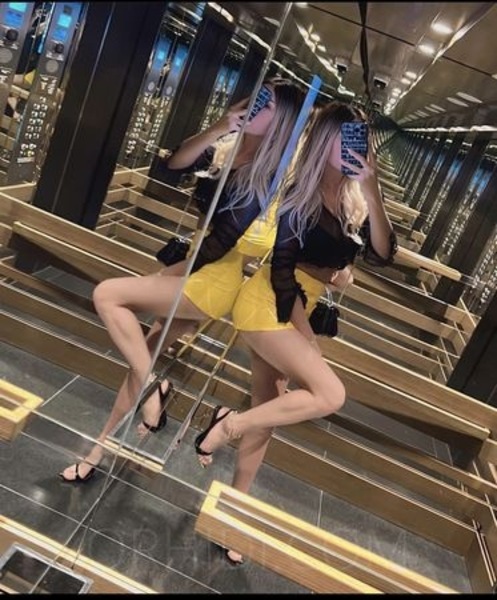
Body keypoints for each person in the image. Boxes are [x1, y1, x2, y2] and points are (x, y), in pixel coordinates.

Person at [59, 78, 306, 483]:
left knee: (109, 296)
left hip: (212, 280)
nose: (257, 108)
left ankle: (151, 391)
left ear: (283, 122)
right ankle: (99, 450)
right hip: (195, 267)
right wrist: (220, 126)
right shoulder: (227, 146)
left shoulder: (274, 177)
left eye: (268, 106)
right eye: (258, 98)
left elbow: (255, 240)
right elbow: (171, 165)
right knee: (143, 356)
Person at [192, 101, 398, 564]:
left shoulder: (353, 199)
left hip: (296, 309)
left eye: (358, 139)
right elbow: (282, 275)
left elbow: (384, 253)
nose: (352, 147)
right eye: (343, 137)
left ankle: (232, 514)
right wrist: (307, 340)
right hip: (270, 305)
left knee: (268, 414)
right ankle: (229, 422)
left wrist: (373, 189)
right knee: (329, 393)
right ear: (324, 140)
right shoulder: (298, 195)